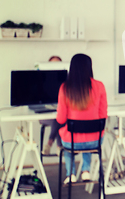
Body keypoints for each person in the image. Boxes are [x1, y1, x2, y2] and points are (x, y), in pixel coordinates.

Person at [56, 54, 108, 184]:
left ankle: (71, 174)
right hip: (95, 142)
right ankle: (86, 171)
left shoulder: (65, 87)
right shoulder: (100, 86)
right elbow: (103, 116)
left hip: (72, 142)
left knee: (67, 138)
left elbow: (61, 119)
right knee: (89, 133)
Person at [41, 55, 64, 155]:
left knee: (60, 118)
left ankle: (50, 144)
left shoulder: (65, 83)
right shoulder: (43, 82)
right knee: (59, 119)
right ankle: (58, 146)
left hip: (59, 114)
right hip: (45, 115)